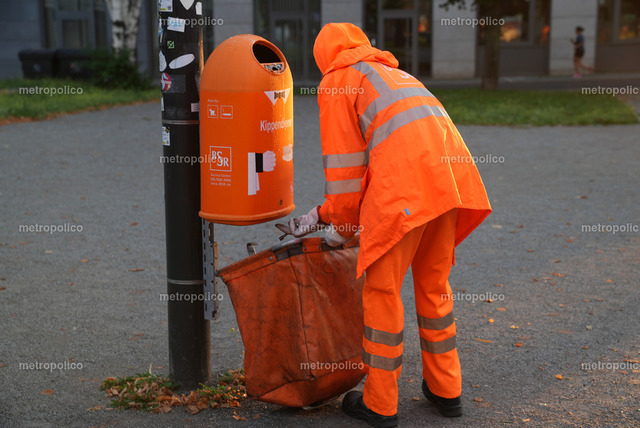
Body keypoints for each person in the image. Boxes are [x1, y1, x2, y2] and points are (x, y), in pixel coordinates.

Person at [286, 22, 492, 427]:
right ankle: (447, 389)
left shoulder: (337, 81)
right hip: (447, 187)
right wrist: (321, 215)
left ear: (323, 58)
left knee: (382, 292)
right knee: (434, 287)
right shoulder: (394, 74)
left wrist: (340, 227)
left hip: (404, 192)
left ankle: (380, 404)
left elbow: (346, 173)